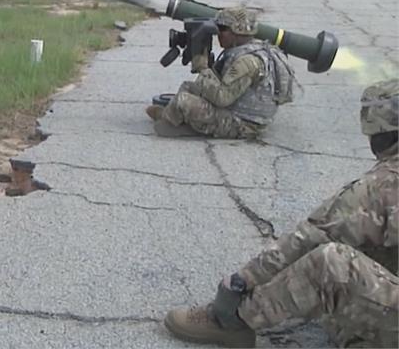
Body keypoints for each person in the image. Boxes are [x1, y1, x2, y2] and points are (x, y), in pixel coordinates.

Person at [164, 78, 398, 348]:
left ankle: (233, 322)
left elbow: (311, 236)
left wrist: (241, 281)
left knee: (331, 262)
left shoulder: (384, 184)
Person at [146, 7, 296, 138]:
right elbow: (222, 83)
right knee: (189, 87)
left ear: (237, 31)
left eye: (223, 29)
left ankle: (172, 124)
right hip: (238, 111)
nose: (218, 33)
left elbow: (222, 98)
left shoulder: (247, 61)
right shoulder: (246, 49)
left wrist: (203, 69)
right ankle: (175, 118)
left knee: (183, 101)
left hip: (244, 124)